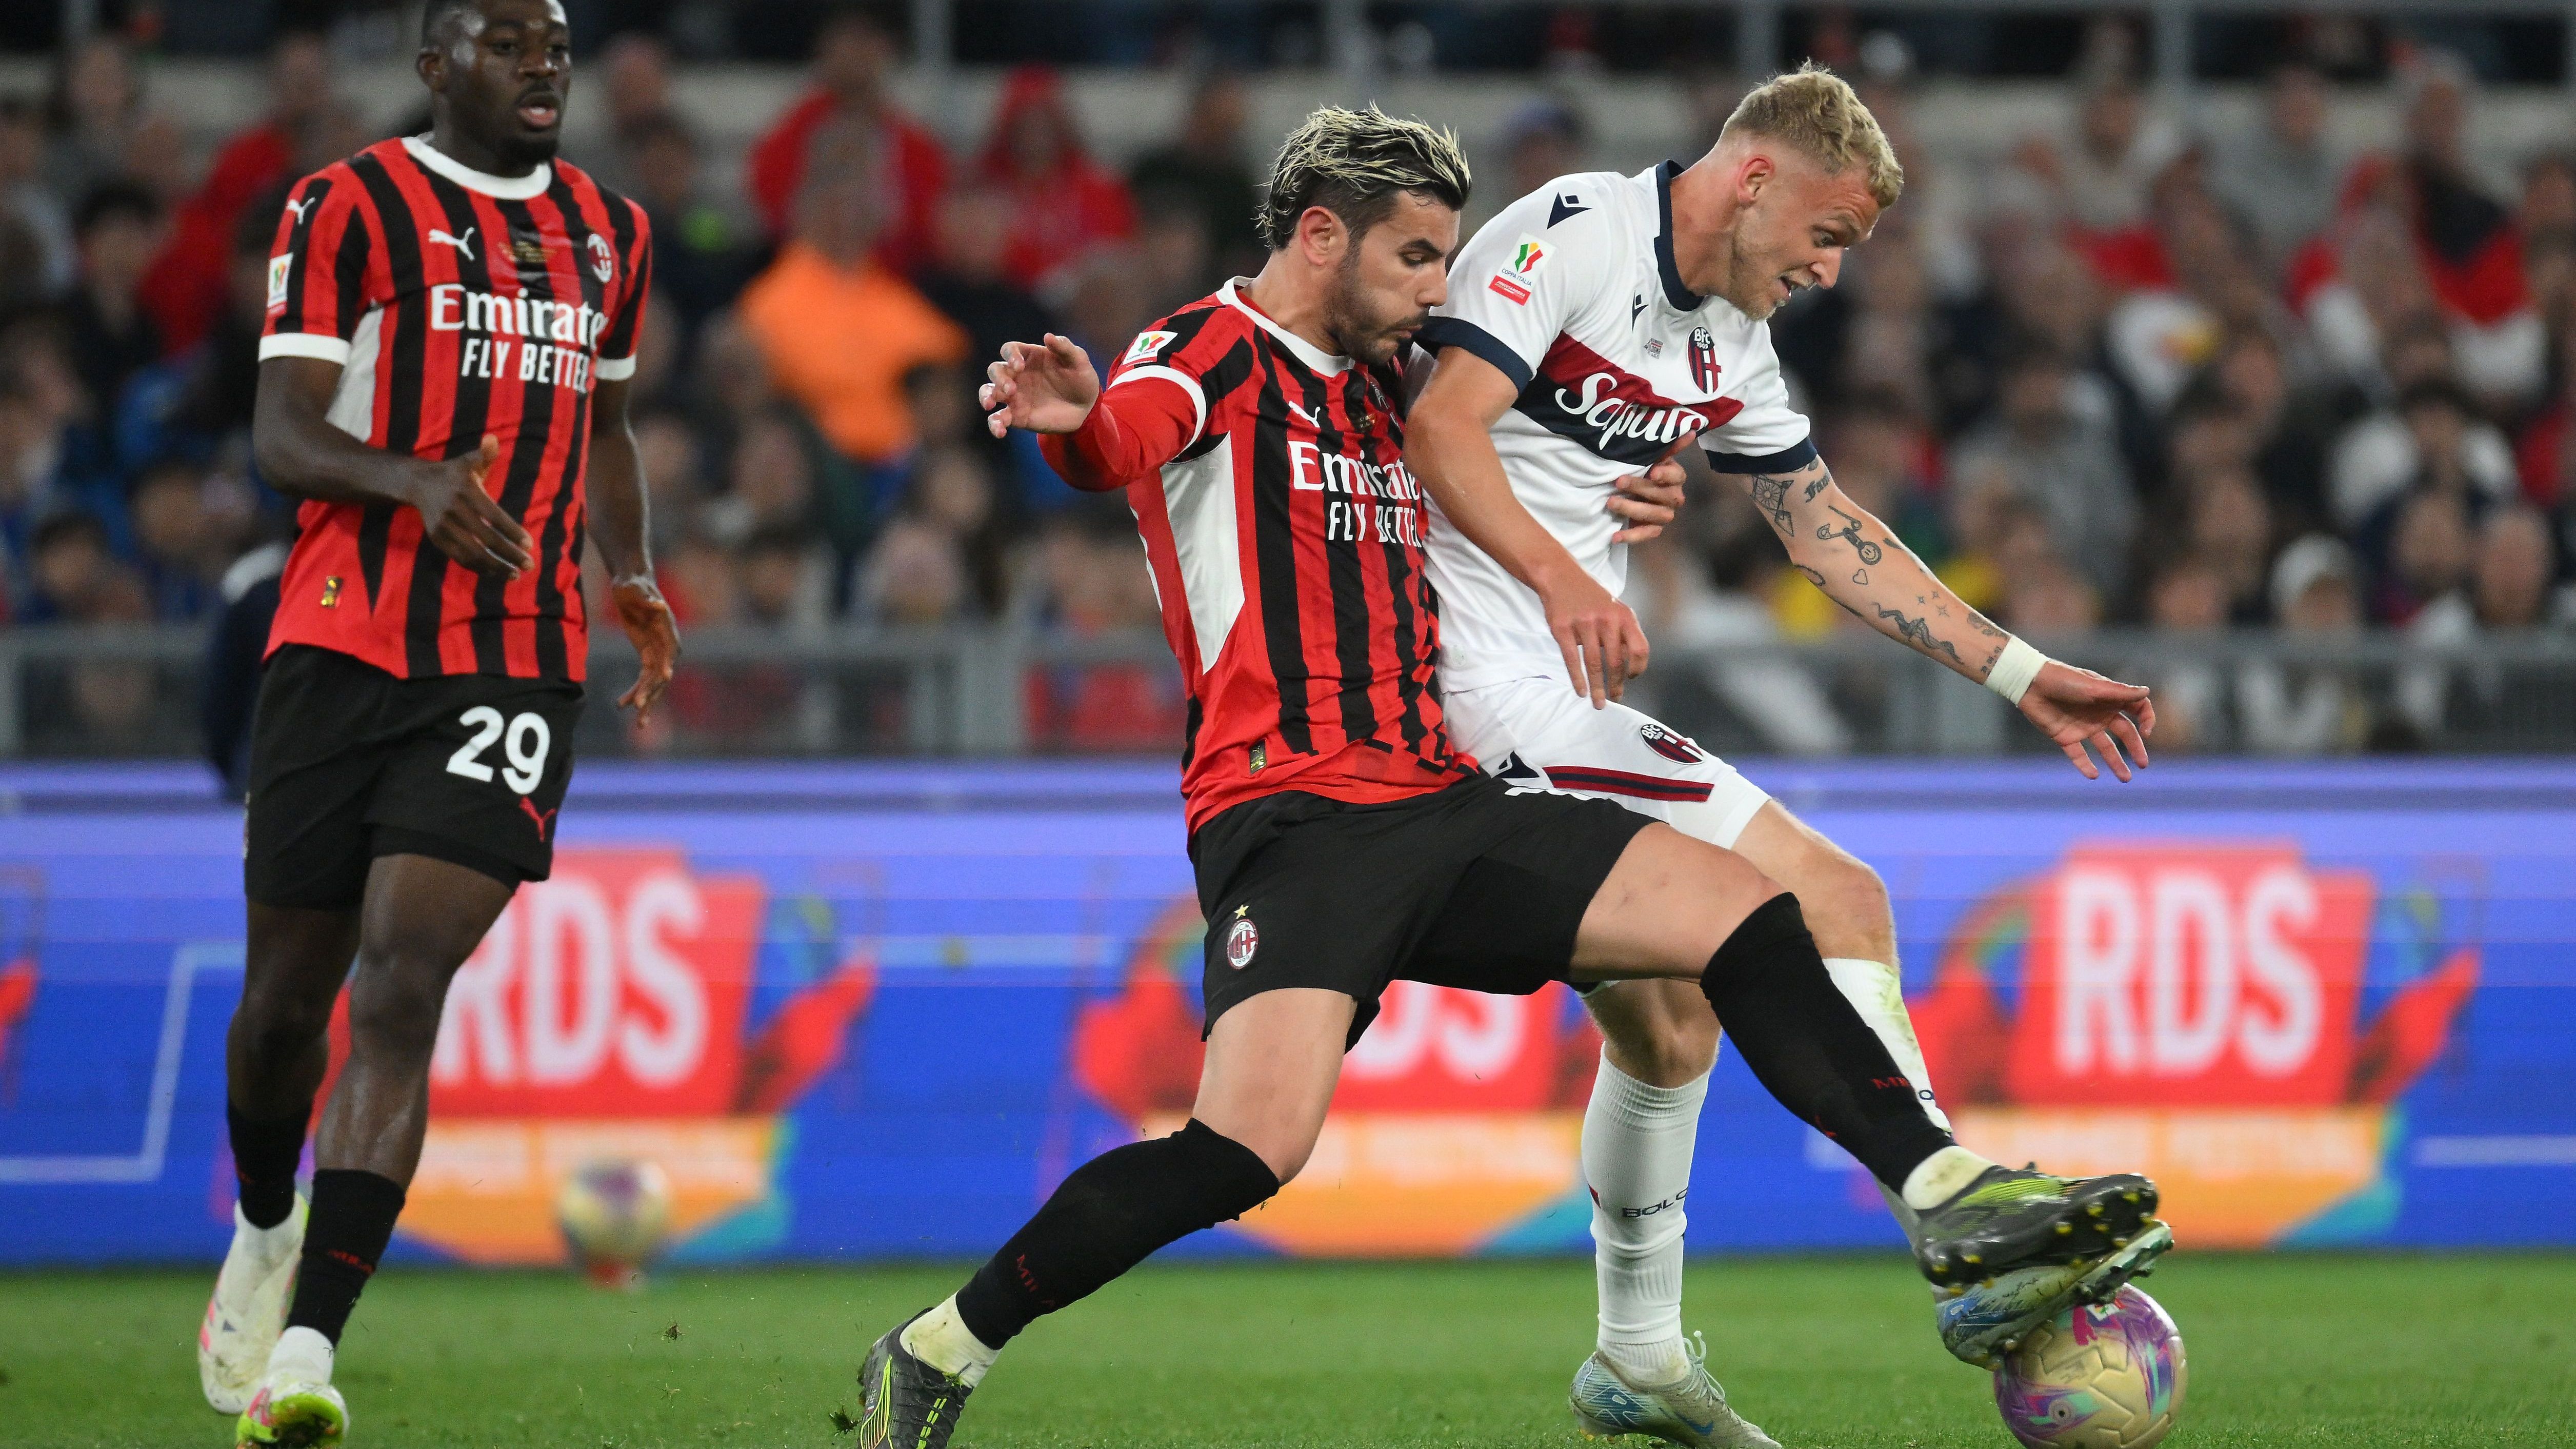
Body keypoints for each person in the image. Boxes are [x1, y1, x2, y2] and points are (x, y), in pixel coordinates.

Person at [851, 105, 2166, 1449]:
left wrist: (1610, 488)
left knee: (1735, 918)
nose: (1442, 286)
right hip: (1294, 818)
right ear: (1322, 237)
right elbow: (1128, 435)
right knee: (1243, 1151)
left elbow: (1507, 448)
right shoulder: (1210, 347)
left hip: (1441, 795)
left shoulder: (1384, 383)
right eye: (1421, 258)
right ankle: (941, 1342)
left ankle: (1928, 1192)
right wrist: (1072, 428)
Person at [1402, 65, 2172, 1441]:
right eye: (1829, 233)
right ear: (1755, 177)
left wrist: (2019, 670)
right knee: (1839, 894)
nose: (1828, 270)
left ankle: (1635, 1352)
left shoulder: (1732, 351)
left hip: (1549, 683)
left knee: (1667, 1019)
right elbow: (1440, 424)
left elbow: (1826, 530)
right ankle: (1957, 1216)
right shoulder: (1567, 232)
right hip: (1485, 687)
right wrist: (1561, 576)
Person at [201, 4, 678, 1445]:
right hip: (341, 639)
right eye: (507, 40)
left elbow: (602, 428)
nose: (545, 62)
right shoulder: (345, 205)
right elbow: (281, 431)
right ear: (435, 64)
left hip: (516, 657)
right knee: (286, 1005)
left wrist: (633, 570)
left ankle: (305, 1352)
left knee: (405, 982)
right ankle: (267, 1215)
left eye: (557, 41)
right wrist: (411, 481)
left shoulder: (613, 233)